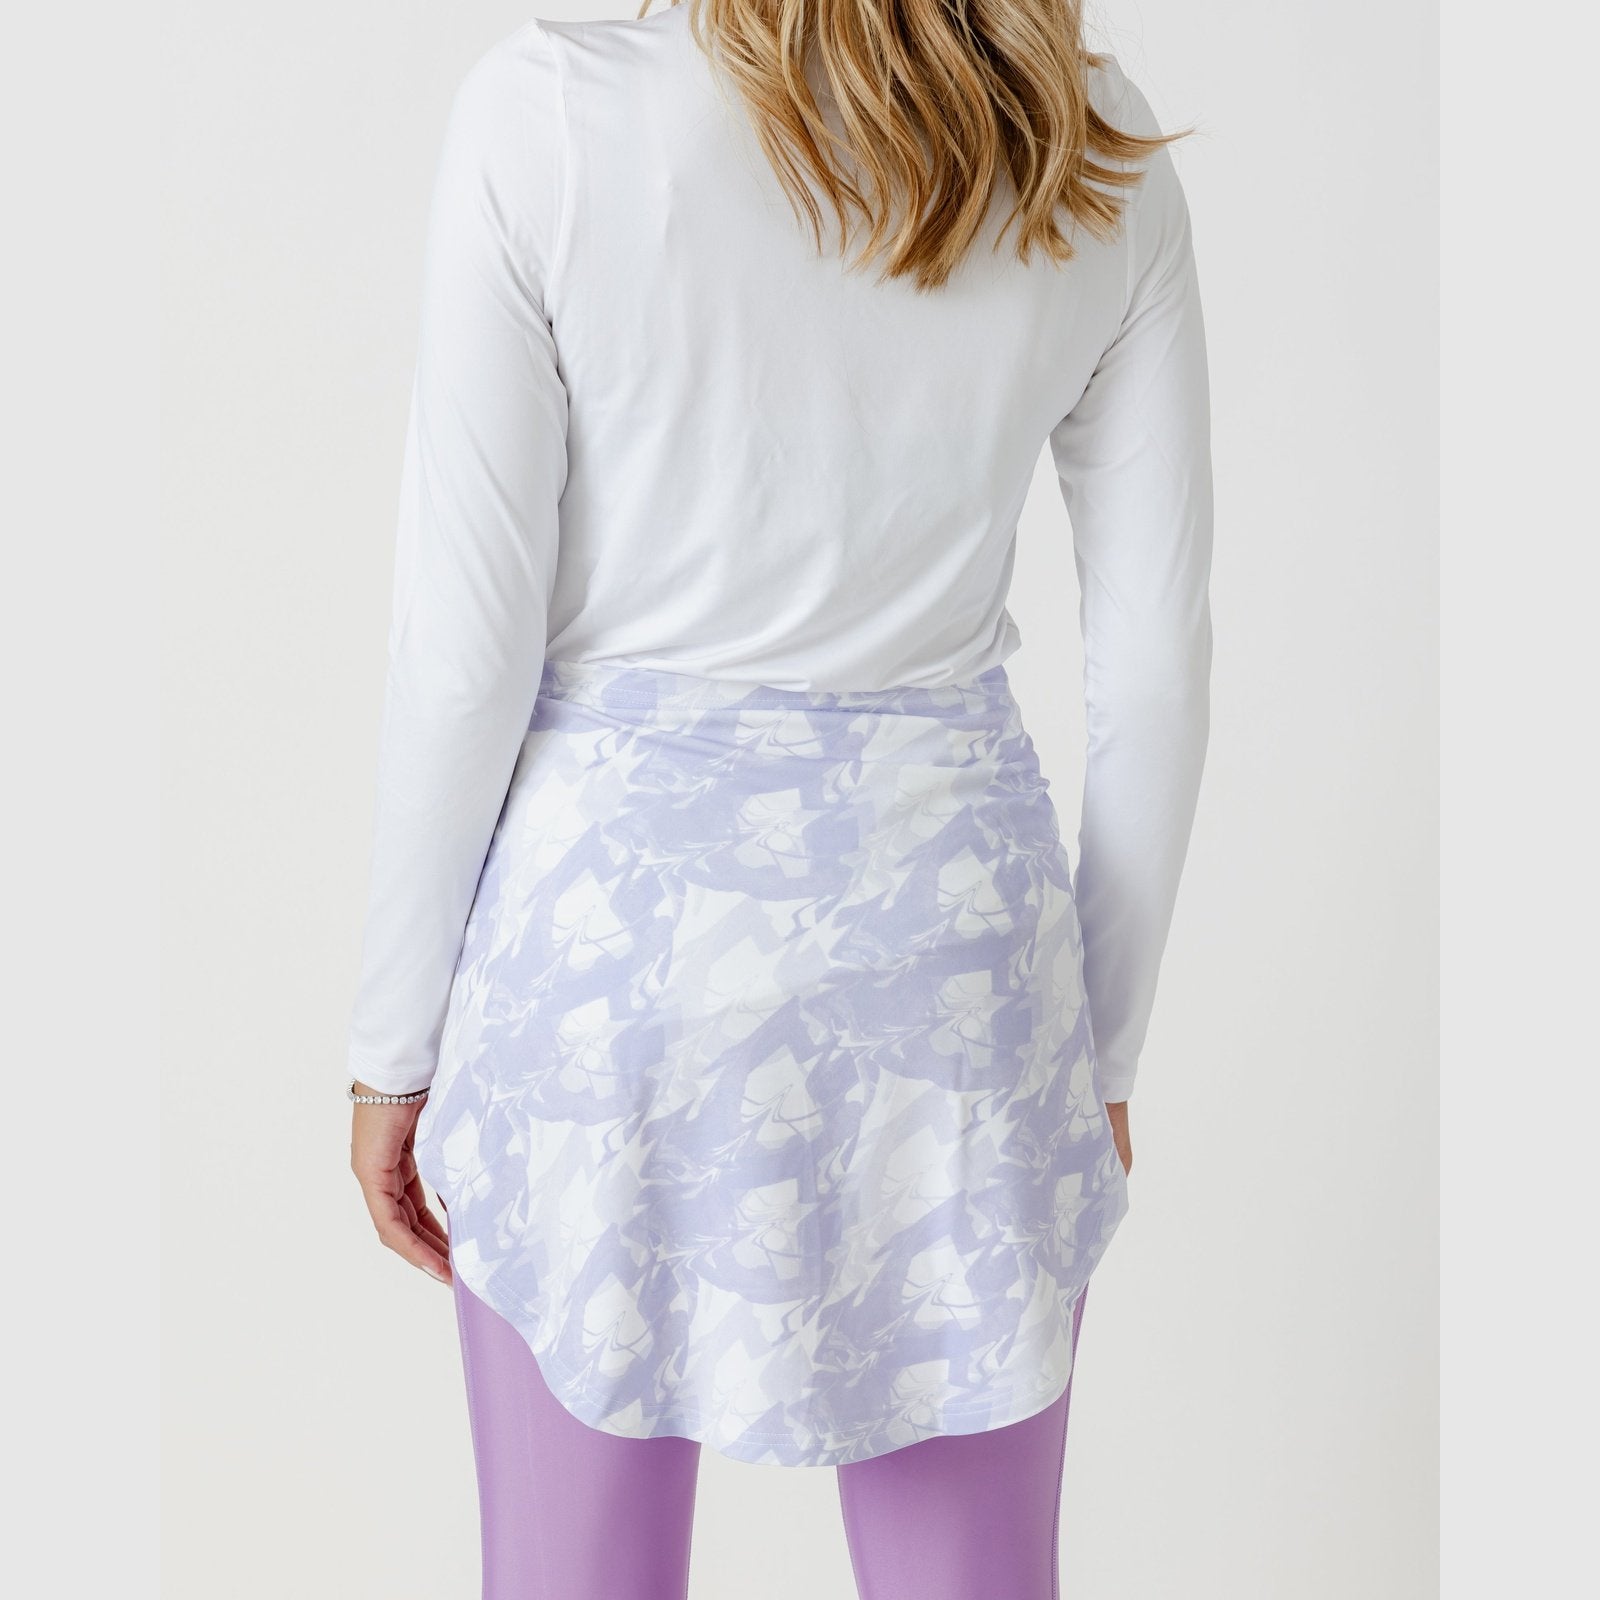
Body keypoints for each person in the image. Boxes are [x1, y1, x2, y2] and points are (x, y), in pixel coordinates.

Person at [346, 0, 1212, 1594]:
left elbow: (463, 654)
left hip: (609, 965)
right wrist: (1101, 1048)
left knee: (569, 1575)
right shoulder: (1088, 146)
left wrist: (393, 1045)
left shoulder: (547, 112)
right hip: (957, 973)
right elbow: (1152, 671)